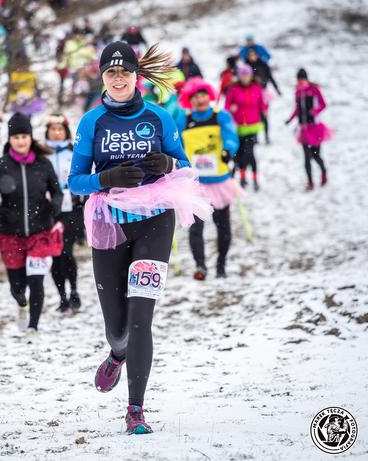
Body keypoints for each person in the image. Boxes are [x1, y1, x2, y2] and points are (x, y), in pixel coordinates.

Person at [68, 41, 211, 434]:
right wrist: (105, 178)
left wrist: (167, 163)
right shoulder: (91, 122)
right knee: (117, 327)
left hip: (155, 220)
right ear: (103, 77)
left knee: (140, 318)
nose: (118, 78)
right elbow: (75, 180)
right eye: (111, 72)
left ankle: (135, 409)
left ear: (137, 76)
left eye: (125, 72)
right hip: (110, 221)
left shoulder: (160, 117)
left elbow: (184, 166)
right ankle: (116, 354)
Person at [0, 113, 63, 333]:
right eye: (16, 137)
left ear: (30, 137)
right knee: (17, 286)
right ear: (10, 139)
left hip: (40, 231)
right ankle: (21, 303)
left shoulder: (43, 163)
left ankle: (33, 326)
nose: (20, 141)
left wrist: (55, 205)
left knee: (36, 281)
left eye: (24, 136)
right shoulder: (0, 165)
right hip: (11, 233)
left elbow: (56, 192)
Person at [177, 78, 240, 280]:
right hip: (195, 184)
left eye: (203, 94)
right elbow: (175, 143)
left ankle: (221, 264)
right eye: (195, 96)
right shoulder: (184, 120)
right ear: (189, 100)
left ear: (209, 96)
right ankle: (200, 266)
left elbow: (231, 136)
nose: (200, 99)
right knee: (195, 228)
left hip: (219, 180)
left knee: (223, 226)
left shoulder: (220, 115)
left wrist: (228, 150)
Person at [44, 114, 85, 313]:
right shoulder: (42, 154)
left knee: (66, 251)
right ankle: (62, 296)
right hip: (50, 210)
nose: (56, 133)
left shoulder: (74, 151)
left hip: (72, 209)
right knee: (55, 254)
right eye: (53, 129)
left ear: (66, 132)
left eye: (60, 129)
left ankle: (74, 291)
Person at [286, 68, 331, 190]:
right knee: (306, 157)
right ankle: (310, 182)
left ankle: (324, 172)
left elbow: (323, 104)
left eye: (302, 79)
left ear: (306, 78)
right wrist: (290, 119)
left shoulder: (314, 90)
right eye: (299, 79)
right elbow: (297, 108)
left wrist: (314, 111)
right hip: (304, 129)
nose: (301, 81)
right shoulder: (297, 92)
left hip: (315, 128)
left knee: (316, 155)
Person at [225, 64, 266, 190]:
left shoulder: (256, 87)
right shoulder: (234, 89)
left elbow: (262, 104)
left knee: (250, 152)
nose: (245, 78)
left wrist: (265, 111)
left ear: (251, 75)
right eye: (243, 75)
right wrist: (231, 109)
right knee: (241, 153)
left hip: (253, 126)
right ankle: (243, 178)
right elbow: (226, 107)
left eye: (247, 75)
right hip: (238, 126)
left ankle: (254, 179)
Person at [246, 48, 280, 143]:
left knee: (264, 116)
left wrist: (277, 89)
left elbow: (270, 78)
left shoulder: (263, 65)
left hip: (263, 94)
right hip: (251, 94)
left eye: (253, 55)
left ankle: (266, 136)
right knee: (254, 116)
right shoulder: (247, 66)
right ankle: (255, 137)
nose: (252, 57)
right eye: (250, 55)